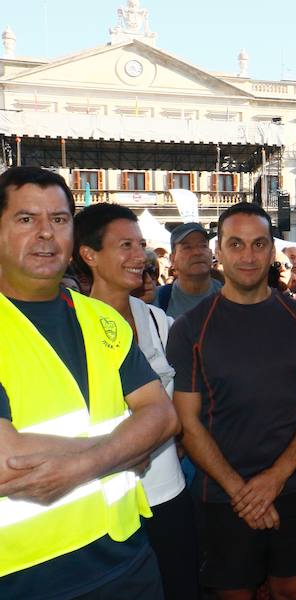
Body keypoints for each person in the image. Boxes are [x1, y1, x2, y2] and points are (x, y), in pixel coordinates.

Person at [0, 166, 178, 599]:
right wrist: (125, 450)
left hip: (128, 560)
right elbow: (7, 461)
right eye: (27, 219)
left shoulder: (100, 318)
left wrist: (84, 465)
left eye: (59, 220)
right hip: (28, 577)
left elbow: (162, 415)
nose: (46, 234)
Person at [167, 202, 296, 600]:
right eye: (236, 244)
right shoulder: (190, 328)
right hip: (220, 494)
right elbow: (186, 423)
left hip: (292, 484)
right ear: (218, 253)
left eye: (259, 244)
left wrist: (275, 478)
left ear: (271, 251)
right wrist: (244, 492)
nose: (248, 255)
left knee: (293, 590)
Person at [73, 202, 199, 599]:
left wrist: (177, 437)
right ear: (89, 255)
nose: (138, 256)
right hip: (105, 507)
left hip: (168, 496)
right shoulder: (70, 328)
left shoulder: (161, 323)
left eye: (141, 244)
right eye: (124, 244)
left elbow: (185, 399)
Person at [155, 222, 221, 317]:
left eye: (203, 246)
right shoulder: (157, 301)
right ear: (172, 259)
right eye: (187, 247)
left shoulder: (232, 297)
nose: (197, 252)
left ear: (211, 253)